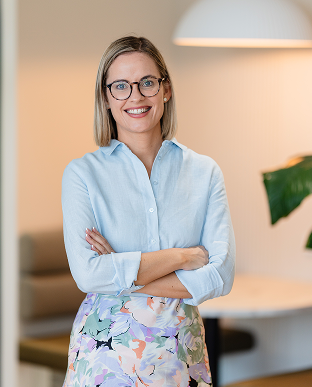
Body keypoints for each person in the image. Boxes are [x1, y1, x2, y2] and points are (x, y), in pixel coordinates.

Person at [61, 36, 235, 387]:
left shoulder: (204, 172)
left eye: (147, 83)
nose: (135, 97)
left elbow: (220, 275)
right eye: (121, 86)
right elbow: (89, 275)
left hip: (181, 353)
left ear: (166, 90)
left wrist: (121, 270)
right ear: (106, 98)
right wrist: (181, 256)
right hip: (105, 357)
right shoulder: (82, 174)